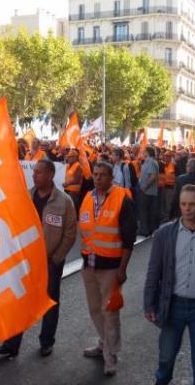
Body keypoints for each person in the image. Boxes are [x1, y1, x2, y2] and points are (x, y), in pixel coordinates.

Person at [0, 159, 77, 358]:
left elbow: (70, 234)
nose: (34, 175)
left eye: (38, 172)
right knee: (19, 301)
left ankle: (47, 342)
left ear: (50, 175)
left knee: (49, 302)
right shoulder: (25, 197)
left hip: (50, 261)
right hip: (26, 261)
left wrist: (56, 258)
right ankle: (12, 344)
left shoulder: (64, 201)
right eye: (34, 172)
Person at [144, 184, 195, 385]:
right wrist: (149, 304)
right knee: (166, 358)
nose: (187, 209)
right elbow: (154, 271)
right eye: (183, 204)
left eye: (192, 205)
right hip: (173, 306)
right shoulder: (165, 234)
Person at [79, 161, 137, 376]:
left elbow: (129, 238)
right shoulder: (87, 197)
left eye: (103, 175)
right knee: (95, 309)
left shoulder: (123, 198)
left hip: (111, 268)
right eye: (95, 174)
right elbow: (86, 230)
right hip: (90, 265)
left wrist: (123, 269)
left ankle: (110, 356)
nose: (98, 178)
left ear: (111, 177)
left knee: (110, 312)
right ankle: (104, 344)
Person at [138, 146, 159, 236]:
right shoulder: (148, 161)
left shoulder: (151, 162)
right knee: (146, 211)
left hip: (147, 191)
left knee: (145, 211)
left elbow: (152, 176)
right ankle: (147, 229)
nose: (142, 152)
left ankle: (145, 230)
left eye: (144, 151)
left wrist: (145, 187)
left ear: (148, 152)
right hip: (146, 190)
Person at [63, 149, 83, 214]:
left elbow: (77, 180)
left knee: (72, 210)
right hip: (67, 190)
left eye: (70, 157)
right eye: (68, 157)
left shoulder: (78, 166)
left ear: (75, 157)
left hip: (73, 192)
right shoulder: (68, 166)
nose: (69, 158)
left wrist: (67, 183)